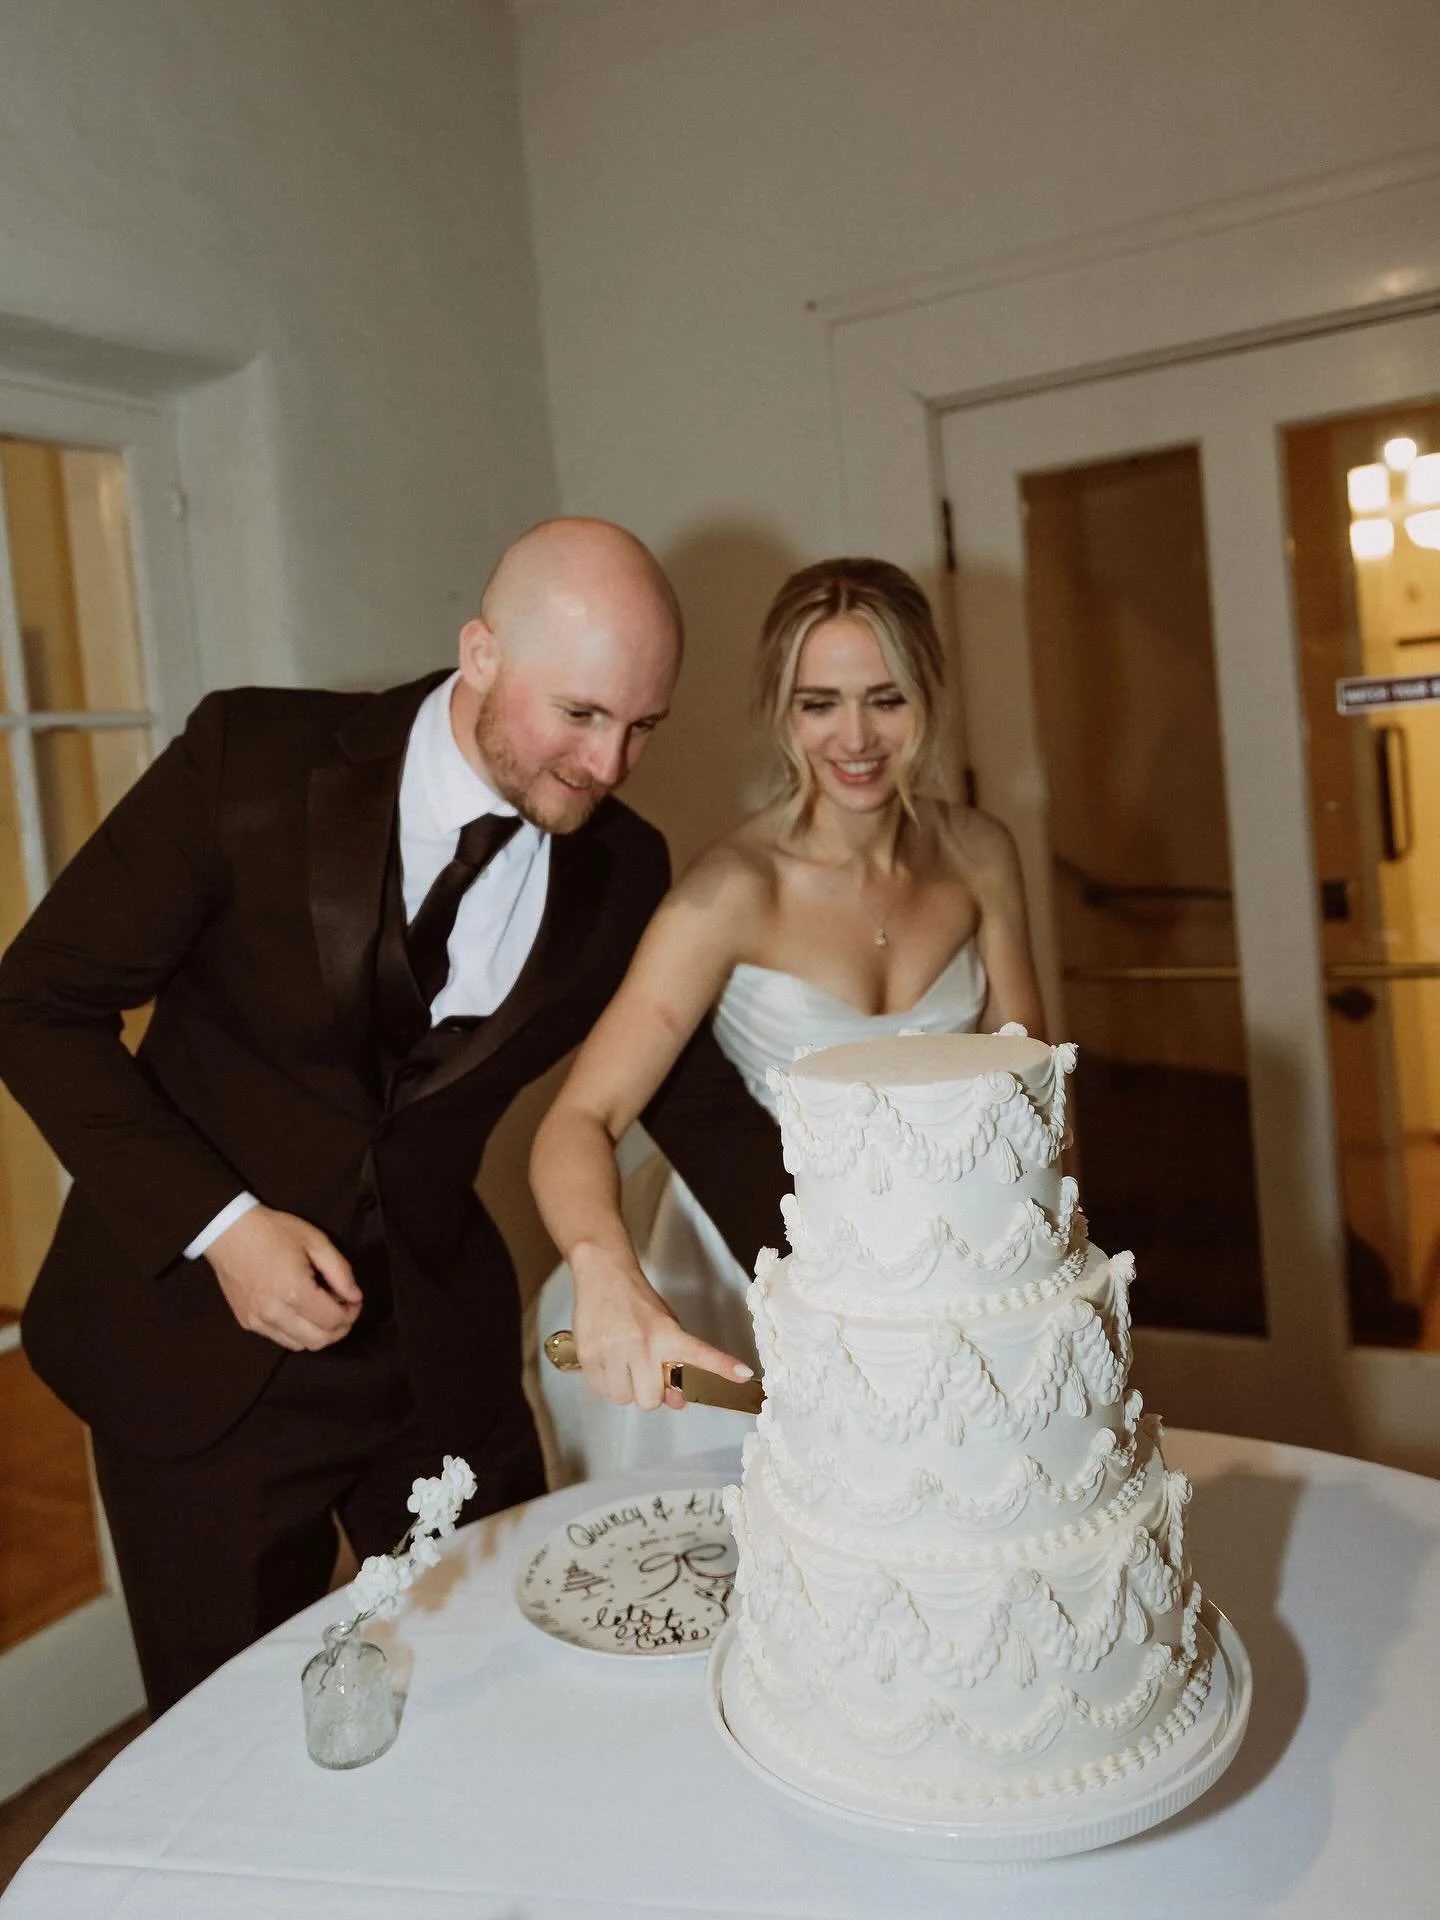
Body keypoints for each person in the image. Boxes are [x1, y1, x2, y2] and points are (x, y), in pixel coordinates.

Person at [0, 517, 786, 1714]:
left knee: (506, 1697)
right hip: (192, 1359)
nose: (611, 763)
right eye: (579, 715)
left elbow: (691, 1099)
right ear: (480, 652)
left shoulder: (624, 867)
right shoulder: (249, 757)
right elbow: (35, 1005)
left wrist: (851, 1274)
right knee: (237, 1746)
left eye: (643, 727)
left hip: (432, 1367)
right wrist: (222, 1225)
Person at [531, 556, 1046, 1480]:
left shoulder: (980, 855)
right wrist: (605, 1272)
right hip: (752, 1272)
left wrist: (1031, 1286)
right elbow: (580, 1118)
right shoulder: (733, 889)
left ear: (929, 692)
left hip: (951, 1269)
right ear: (780, 709)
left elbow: (1037, 1097)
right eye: (819, 703)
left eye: (885, 698)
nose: (855, 737)